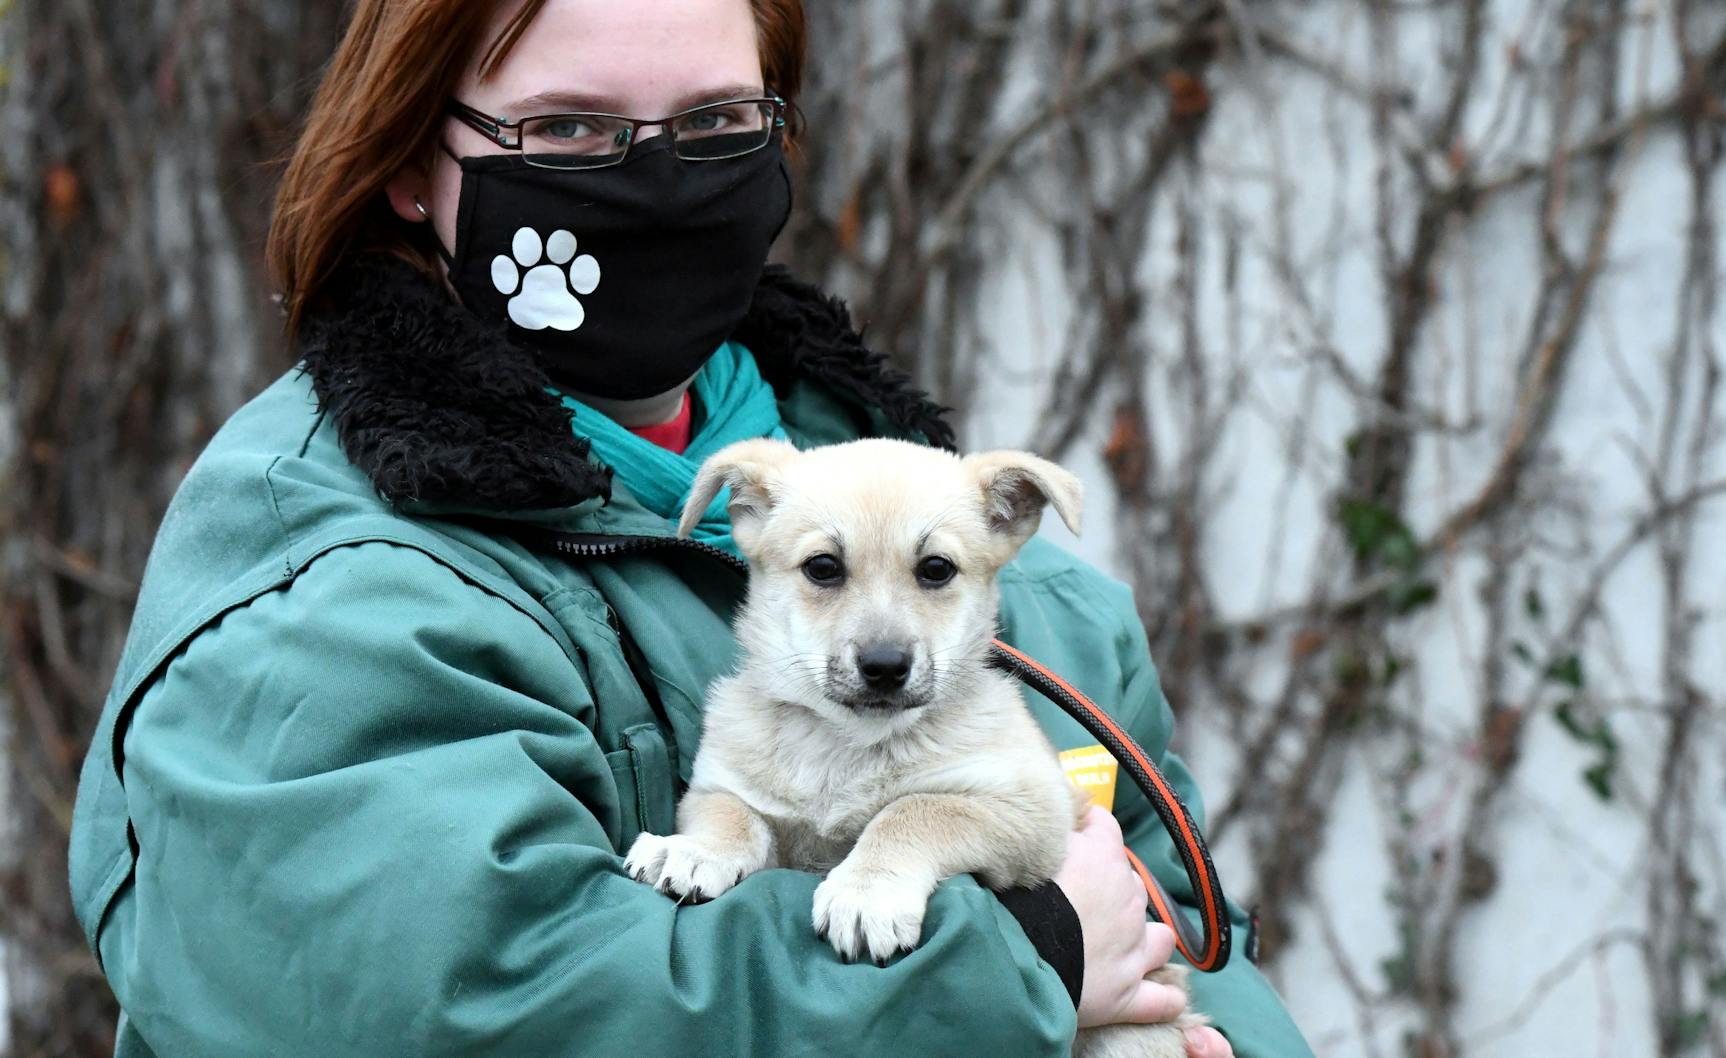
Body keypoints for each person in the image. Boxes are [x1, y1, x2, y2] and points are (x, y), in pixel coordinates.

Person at [66, 1, 1314, 1055]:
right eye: (570, 130)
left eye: (717, 125)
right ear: (407, 162)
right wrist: (1018, 957)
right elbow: (461, 1009)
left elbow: (1198, 935)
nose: (659, 189)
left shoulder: (964, 540)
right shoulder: (333, 587)